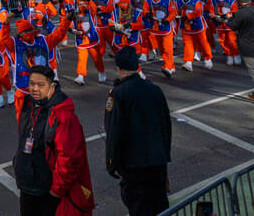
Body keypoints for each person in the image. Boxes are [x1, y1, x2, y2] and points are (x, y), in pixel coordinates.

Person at [13, 64, 94, 216]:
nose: (35, 89)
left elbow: (69, 159)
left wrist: (56, 191)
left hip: (48, 191)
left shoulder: (63, 116)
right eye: (32, 84)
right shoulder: (28, 105)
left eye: (40, 85)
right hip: (27, 186)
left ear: (52, 86)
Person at [103, 46, 172, 216]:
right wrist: (164, 155)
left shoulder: (118, 93)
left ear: (119, 68)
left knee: (139, 207)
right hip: (157, 160)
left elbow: (114, 131)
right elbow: (166, 126)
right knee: (160, 205)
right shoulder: (154, 89)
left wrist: (111, 162)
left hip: (134, 163)